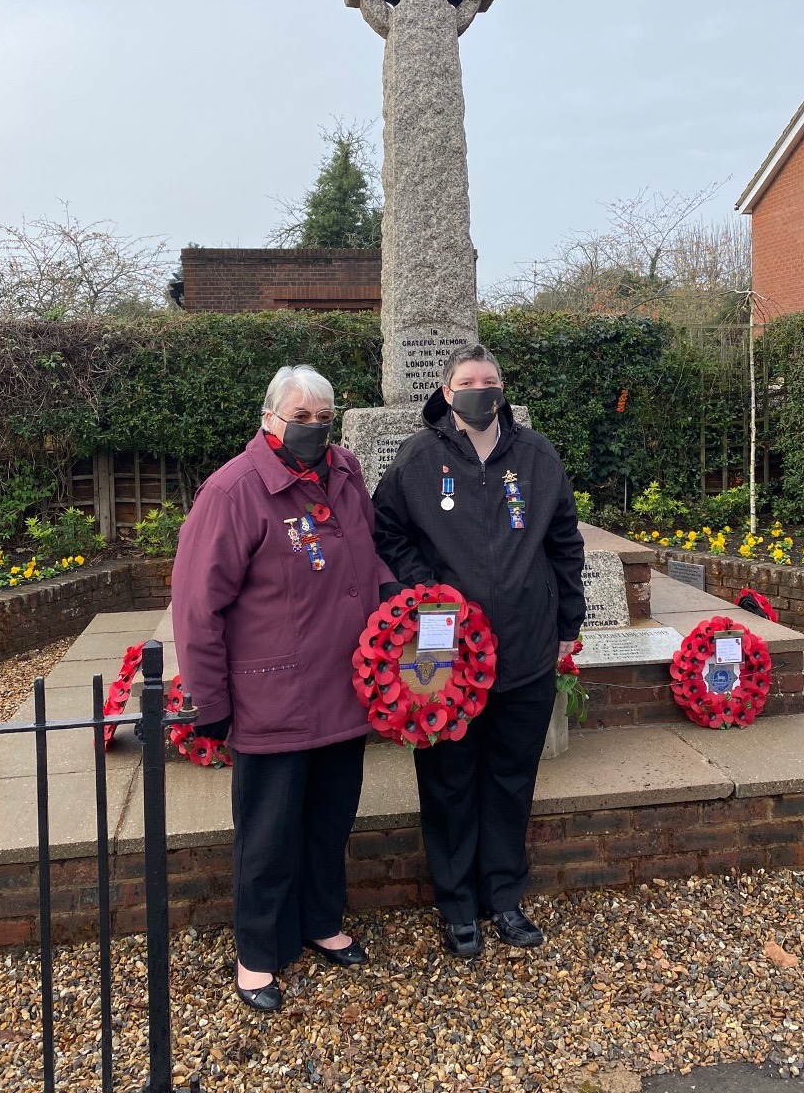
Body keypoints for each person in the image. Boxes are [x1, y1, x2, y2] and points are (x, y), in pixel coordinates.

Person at [172, 364, 397, 1011]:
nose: (313, 429)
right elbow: (197, 605)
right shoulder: (233, 492)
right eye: (300, 418)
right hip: (274, 698)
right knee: (268, 835)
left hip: (345, 692)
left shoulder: (345, 474)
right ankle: (259, 956)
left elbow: (367, 552)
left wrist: (394, 600)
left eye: (322, 418)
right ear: (269, 417)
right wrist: (209, 701)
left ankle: (322, 921)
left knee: (329, 822)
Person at [373, 343, 585, 957]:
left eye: (489, 381)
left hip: (524, 648)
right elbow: (386, 531)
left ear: (502, 388)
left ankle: (504, 896)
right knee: (448, 781)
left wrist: (567, 619)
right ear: (446, 390)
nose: (479, 390)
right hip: (446, 660)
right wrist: (425, 593)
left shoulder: (536, 456)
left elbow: (564, 541)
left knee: (510, 780)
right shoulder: (418, 457)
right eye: (467, 381)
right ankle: (457, 903)